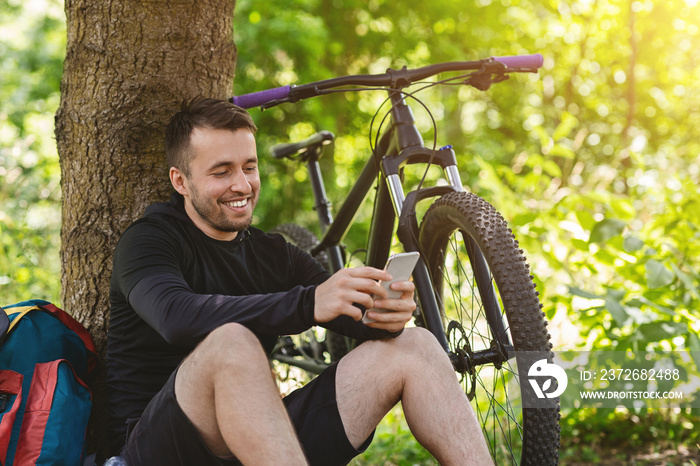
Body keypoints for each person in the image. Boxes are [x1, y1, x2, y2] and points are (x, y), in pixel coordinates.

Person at [105, 97, 492, 466]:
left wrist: (382, 312)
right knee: (230, 341)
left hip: (261, 445)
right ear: (181, 181)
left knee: (415, 346)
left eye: (249, 167)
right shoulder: (148, 241)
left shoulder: (274, 253)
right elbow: (176, 317)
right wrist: (308, 303)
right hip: (162, 449)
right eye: (221, 172)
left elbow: (347, 314)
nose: (241, 185)